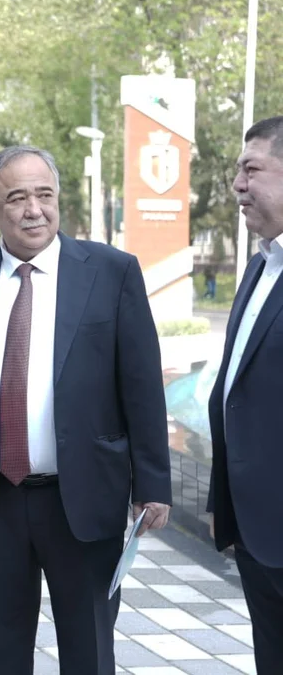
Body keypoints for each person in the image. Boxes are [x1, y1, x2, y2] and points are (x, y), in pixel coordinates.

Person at [0, 145, 172, 674]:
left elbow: (142, 386)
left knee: (89, 651)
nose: (34, 210)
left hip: (85, 497)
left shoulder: (112, 272)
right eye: (17, 198)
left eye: (45, 195)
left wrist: (153, 485)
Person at [207, 115, 283, 673]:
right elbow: (233, 396)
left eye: (250, 169)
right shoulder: (260, 269)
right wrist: (223, 504)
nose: (237, 184)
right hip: (258, 536)